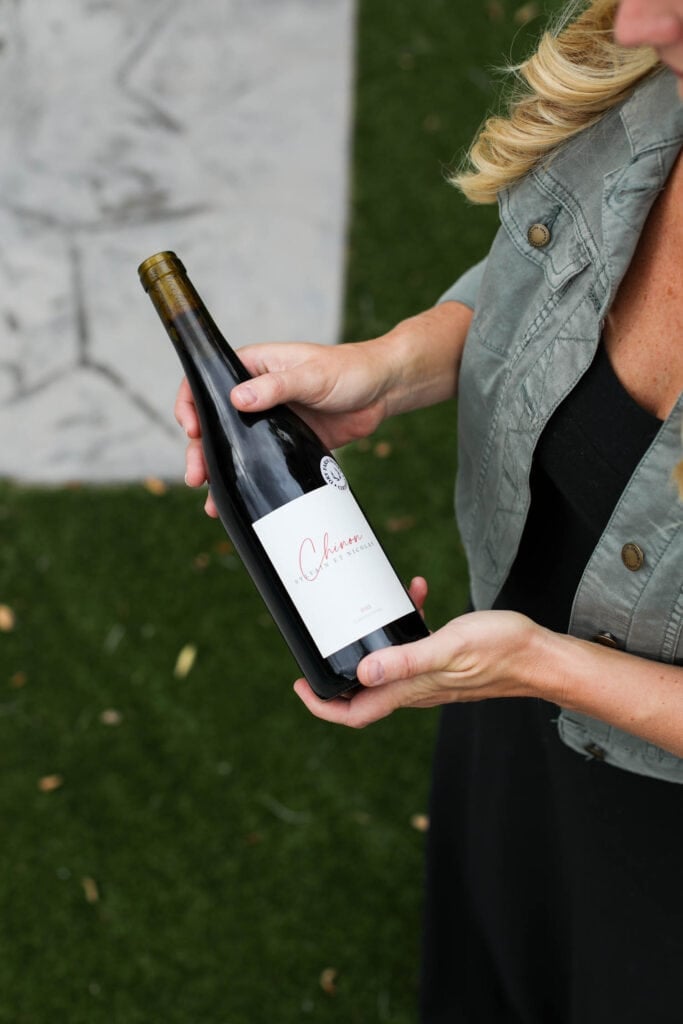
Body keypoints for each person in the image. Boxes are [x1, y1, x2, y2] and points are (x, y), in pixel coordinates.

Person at [176, 0, 683, 1019]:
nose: (623, 13)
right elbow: (538, 277)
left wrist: (540, 664)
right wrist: (383, 368)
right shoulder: (646, 71)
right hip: (509, 699)